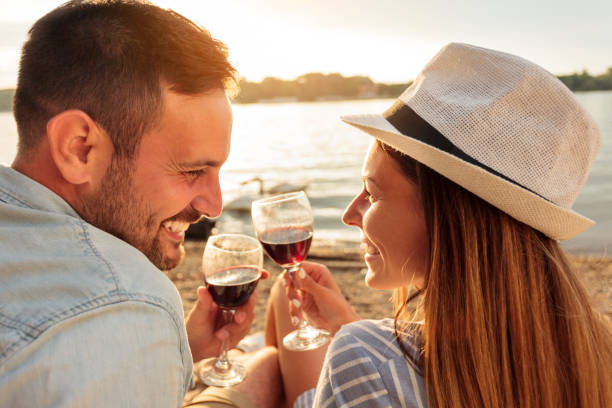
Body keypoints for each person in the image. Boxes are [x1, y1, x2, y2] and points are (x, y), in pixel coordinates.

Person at [264, 43, 612, 407]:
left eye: (371, 191)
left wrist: (241, 393)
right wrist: (347, 324)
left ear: (445, 217)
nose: (350, 215)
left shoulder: (360, 352)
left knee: (265, 361)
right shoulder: (593, 352)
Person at [0, 1, 279, 407]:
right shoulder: (128, 301)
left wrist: (176, 350)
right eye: (191, 171)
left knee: (267, 365)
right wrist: (141, 332)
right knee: (269, 369)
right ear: (80, 148)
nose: (214, 205)